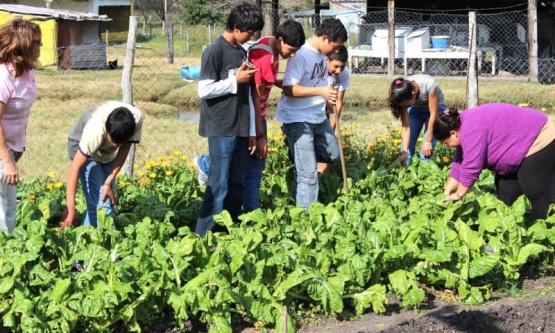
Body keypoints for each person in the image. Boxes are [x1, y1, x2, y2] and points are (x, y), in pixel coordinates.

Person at [193, 19, 306, 214]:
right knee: (252, 169)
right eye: (291, 48)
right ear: (280, 39)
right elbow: (255, 95)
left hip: (254, 118)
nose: (293, 54)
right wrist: (258, 133)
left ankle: (242, 213)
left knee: (244, 166)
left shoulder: (271, 45)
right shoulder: (264, 57)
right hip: (253, 118)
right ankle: (251, 213)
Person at [194, 2, 264, 237]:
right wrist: (236, 80)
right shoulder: (215, 50)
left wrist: (253, 131)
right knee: (219, 184)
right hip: (222, 126)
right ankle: (203, 237)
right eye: (249, 32)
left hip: (242, 126)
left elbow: (249, 93)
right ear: (236, 27)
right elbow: (203, 90)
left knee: (236, 183)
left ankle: (229, 233)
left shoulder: (242, 51)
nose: (252, 36)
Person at [434, 103, 555, 221]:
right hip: (519, 146)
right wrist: (446, 192)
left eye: (446, 143)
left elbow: (471, 167)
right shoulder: (462, 127)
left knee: (535, 189)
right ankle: (515, 232)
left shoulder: (470, 130)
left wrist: (459, 194)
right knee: (506, 192)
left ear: (453, 134)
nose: (448, 146)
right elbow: (460, 163)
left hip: (538, 136)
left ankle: (548, 230)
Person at [276, 18, 348, 211]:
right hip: (298, 119)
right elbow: (289, 88)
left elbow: (315, 81)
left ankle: (300, 158)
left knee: (333, 153)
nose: (335, 51)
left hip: (317, 116)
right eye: (335, 46)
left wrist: (326, 99)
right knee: (309, 175)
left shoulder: (321, 56)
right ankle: (306, 221)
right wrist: (321, 92)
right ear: (325, 38)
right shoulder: (302, 55)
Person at [60, 101, 144, 228]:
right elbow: (75, 167)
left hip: (106, 154)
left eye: (119, 143)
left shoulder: (136, 119)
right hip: (80, 147)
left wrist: (108, 182)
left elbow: (125, 149)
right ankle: (104, 242)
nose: (116, 146)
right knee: (103, 204)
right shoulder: (94, 130)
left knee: (106, 200)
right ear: (107, 130)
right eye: (113, 142)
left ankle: (86, 239)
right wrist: (70, 208)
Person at [0, 19, 41, 233]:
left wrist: (19, 147)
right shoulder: (2, 76)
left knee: (9, 210)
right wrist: (7, 161)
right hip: (1, 153)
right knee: (1, 213)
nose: (40, 48)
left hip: (11, 150)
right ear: (23, 44)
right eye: (37, 43)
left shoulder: (26, 73)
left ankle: (7, 256)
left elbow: (22, 114)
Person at [388, 74, 446, 165]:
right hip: (416, 109)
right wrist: (404, 152)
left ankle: (424, 170)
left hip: (436, 109)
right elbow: (406, 127)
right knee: (406, 148)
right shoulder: (403, 93)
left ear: (414, 95)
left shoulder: (429, 84)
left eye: (406, 105)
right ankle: (406, 171)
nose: (405, 108)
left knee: (426, 148)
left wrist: (427, 141)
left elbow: (433, 115)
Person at [318, 45, 350, 174]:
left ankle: (325, 184)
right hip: (310, 110)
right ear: (326, 60)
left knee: (325, 150)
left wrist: (332, 127)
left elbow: (339, 101)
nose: (339, 71)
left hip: (325, 113)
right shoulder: (317, 68)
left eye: (342, 66)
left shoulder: (343, 73)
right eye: (336, 66)